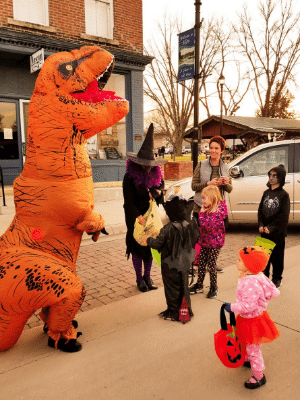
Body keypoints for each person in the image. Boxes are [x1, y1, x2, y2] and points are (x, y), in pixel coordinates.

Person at [224, 246, 280, 390]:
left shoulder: (250, 282)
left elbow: (248, 306)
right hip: (253, 318)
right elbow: (272, 290)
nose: (236, 262)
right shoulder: (257, 275)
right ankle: (248, 358)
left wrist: (232, 307)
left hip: (251, 319)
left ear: (250, 265)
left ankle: (259, 375)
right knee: (249, 343)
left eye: (239, 260)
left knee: (253, 348)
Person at [123, 123, 167, 292]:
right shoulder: (129, 177)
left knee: (149, 247)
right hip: (134, 215)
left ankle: (148, 277)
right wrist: (137, 217)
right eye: (145, 164)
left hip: (151, 216)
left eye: (150, 164)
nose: (148, 167)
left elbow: (160, 194)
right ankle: (139, 279)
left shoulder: (156, 174)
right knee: (137, 248)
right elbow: (128, 201)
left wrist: (155, 193)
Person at [146, 194, 199, 322]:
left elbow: (157, 244)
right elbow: (195, 238)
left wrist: (148, 239)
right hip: (184, 262)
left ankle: (174, 312)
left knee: (171, 289)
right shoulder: (188, 225)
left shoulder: (167, 229)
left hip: (169, 264)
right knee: (183, 286)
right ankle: (186, 309)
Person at [191, 136, 232, 273]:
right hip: (200, 207)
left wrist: (225, 183)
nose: (213, 151)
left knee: (215, 238)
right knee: (199, 237)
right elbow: (193, 186)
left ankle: (211, 263)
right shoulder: (201, 165)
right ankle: (196, 263)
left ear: (222, 150)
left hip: (217, 210)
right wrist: (207, 184)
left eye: (216, 148)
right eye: (211, 148)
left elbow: (230, 189)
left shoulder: (225, 167)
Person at [189, 186, 227, 298]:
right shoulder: (208, 209)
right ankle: (199, 285)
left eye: (204, 198)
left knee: (211, 265)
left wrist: (201, 214)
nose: (202, 200)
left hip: (215, 243)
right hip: (205, 241)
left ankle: (214, 287)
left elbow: (208, 226)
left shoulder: (218, 211)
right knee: (201, 263)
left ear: (212, 198)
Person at [258, 164, 290, 288]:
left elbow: (283, 215)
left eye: (275, 176)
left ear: (280, 178)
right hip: (264, 231)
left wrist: (271, 227)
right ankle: (264, 276)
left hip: (277, 233)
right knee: (264, 256)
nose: (271, 178)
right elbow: (260, 210)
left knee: (277, 257)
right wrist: (261, 224)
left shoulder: (284, 195)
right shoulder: (266, 193)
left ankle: (276, 278)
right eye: (270, 175)